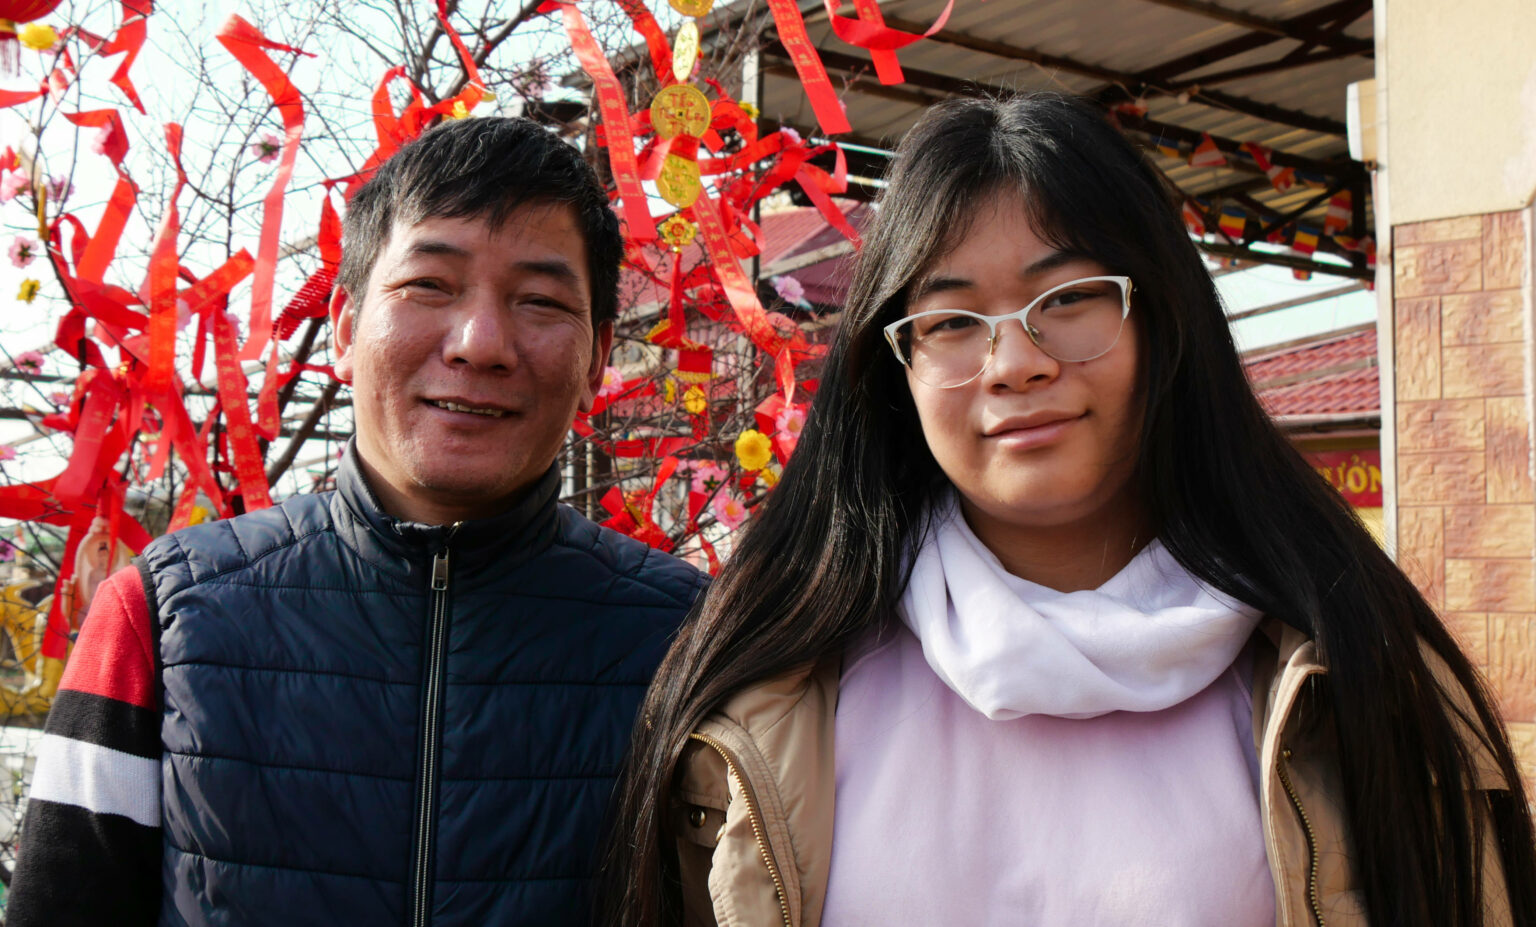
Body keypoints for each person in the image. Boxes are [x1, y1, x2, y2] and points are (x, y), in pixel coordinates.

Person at [601, 94, 1536, 927]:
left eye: (1071, 297)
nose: (1016, 362)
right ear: (895, 371)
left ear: (1163, 321)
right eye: (952, 320)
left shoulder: (1353, 672)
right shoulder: (768, 692)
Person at [9, 117, 707, 927]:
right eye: (429, 285)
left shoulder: (696, 644)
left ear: (596, 360)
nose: (480, 343)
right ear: (344, 328)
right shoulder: (159, 618)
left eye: (541, 301)